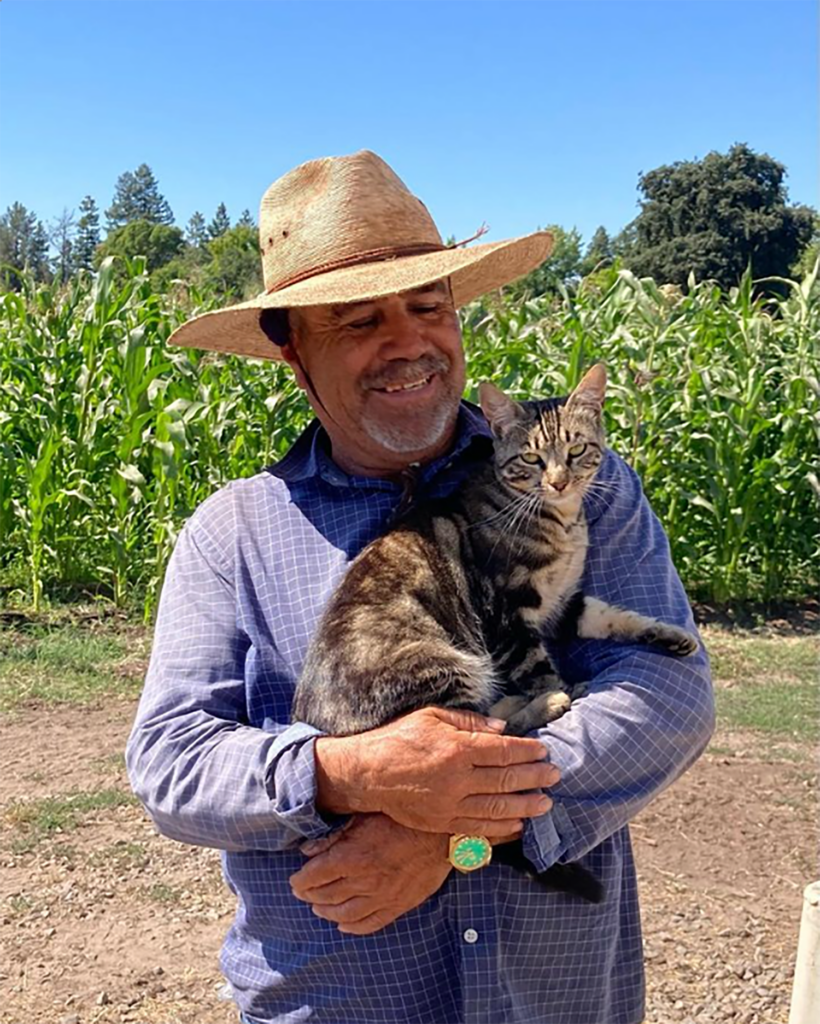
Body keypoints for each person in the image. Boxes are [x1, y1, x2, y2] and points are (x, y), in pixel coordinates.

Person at [126, 150, 714, 1024]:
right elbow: (171, 763)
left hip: (551, 998)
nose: (408, 343)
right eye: (359, 321)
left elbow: (667, 691)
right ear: (294, 355)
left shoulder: (590, 479)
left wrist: (451, 826)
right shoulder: (233, 535)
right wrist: (348, 771)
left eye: (428, 306)